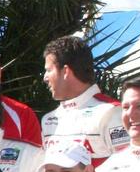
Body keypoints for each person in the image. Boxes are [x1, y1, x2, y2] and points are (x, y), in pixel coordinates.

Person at [39, 35, 129, 164]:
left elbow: (126, 167)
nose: (45, 78)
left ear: (65, 71)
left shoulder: (111, 112)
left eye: (48, 70)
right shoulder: (48, 119)